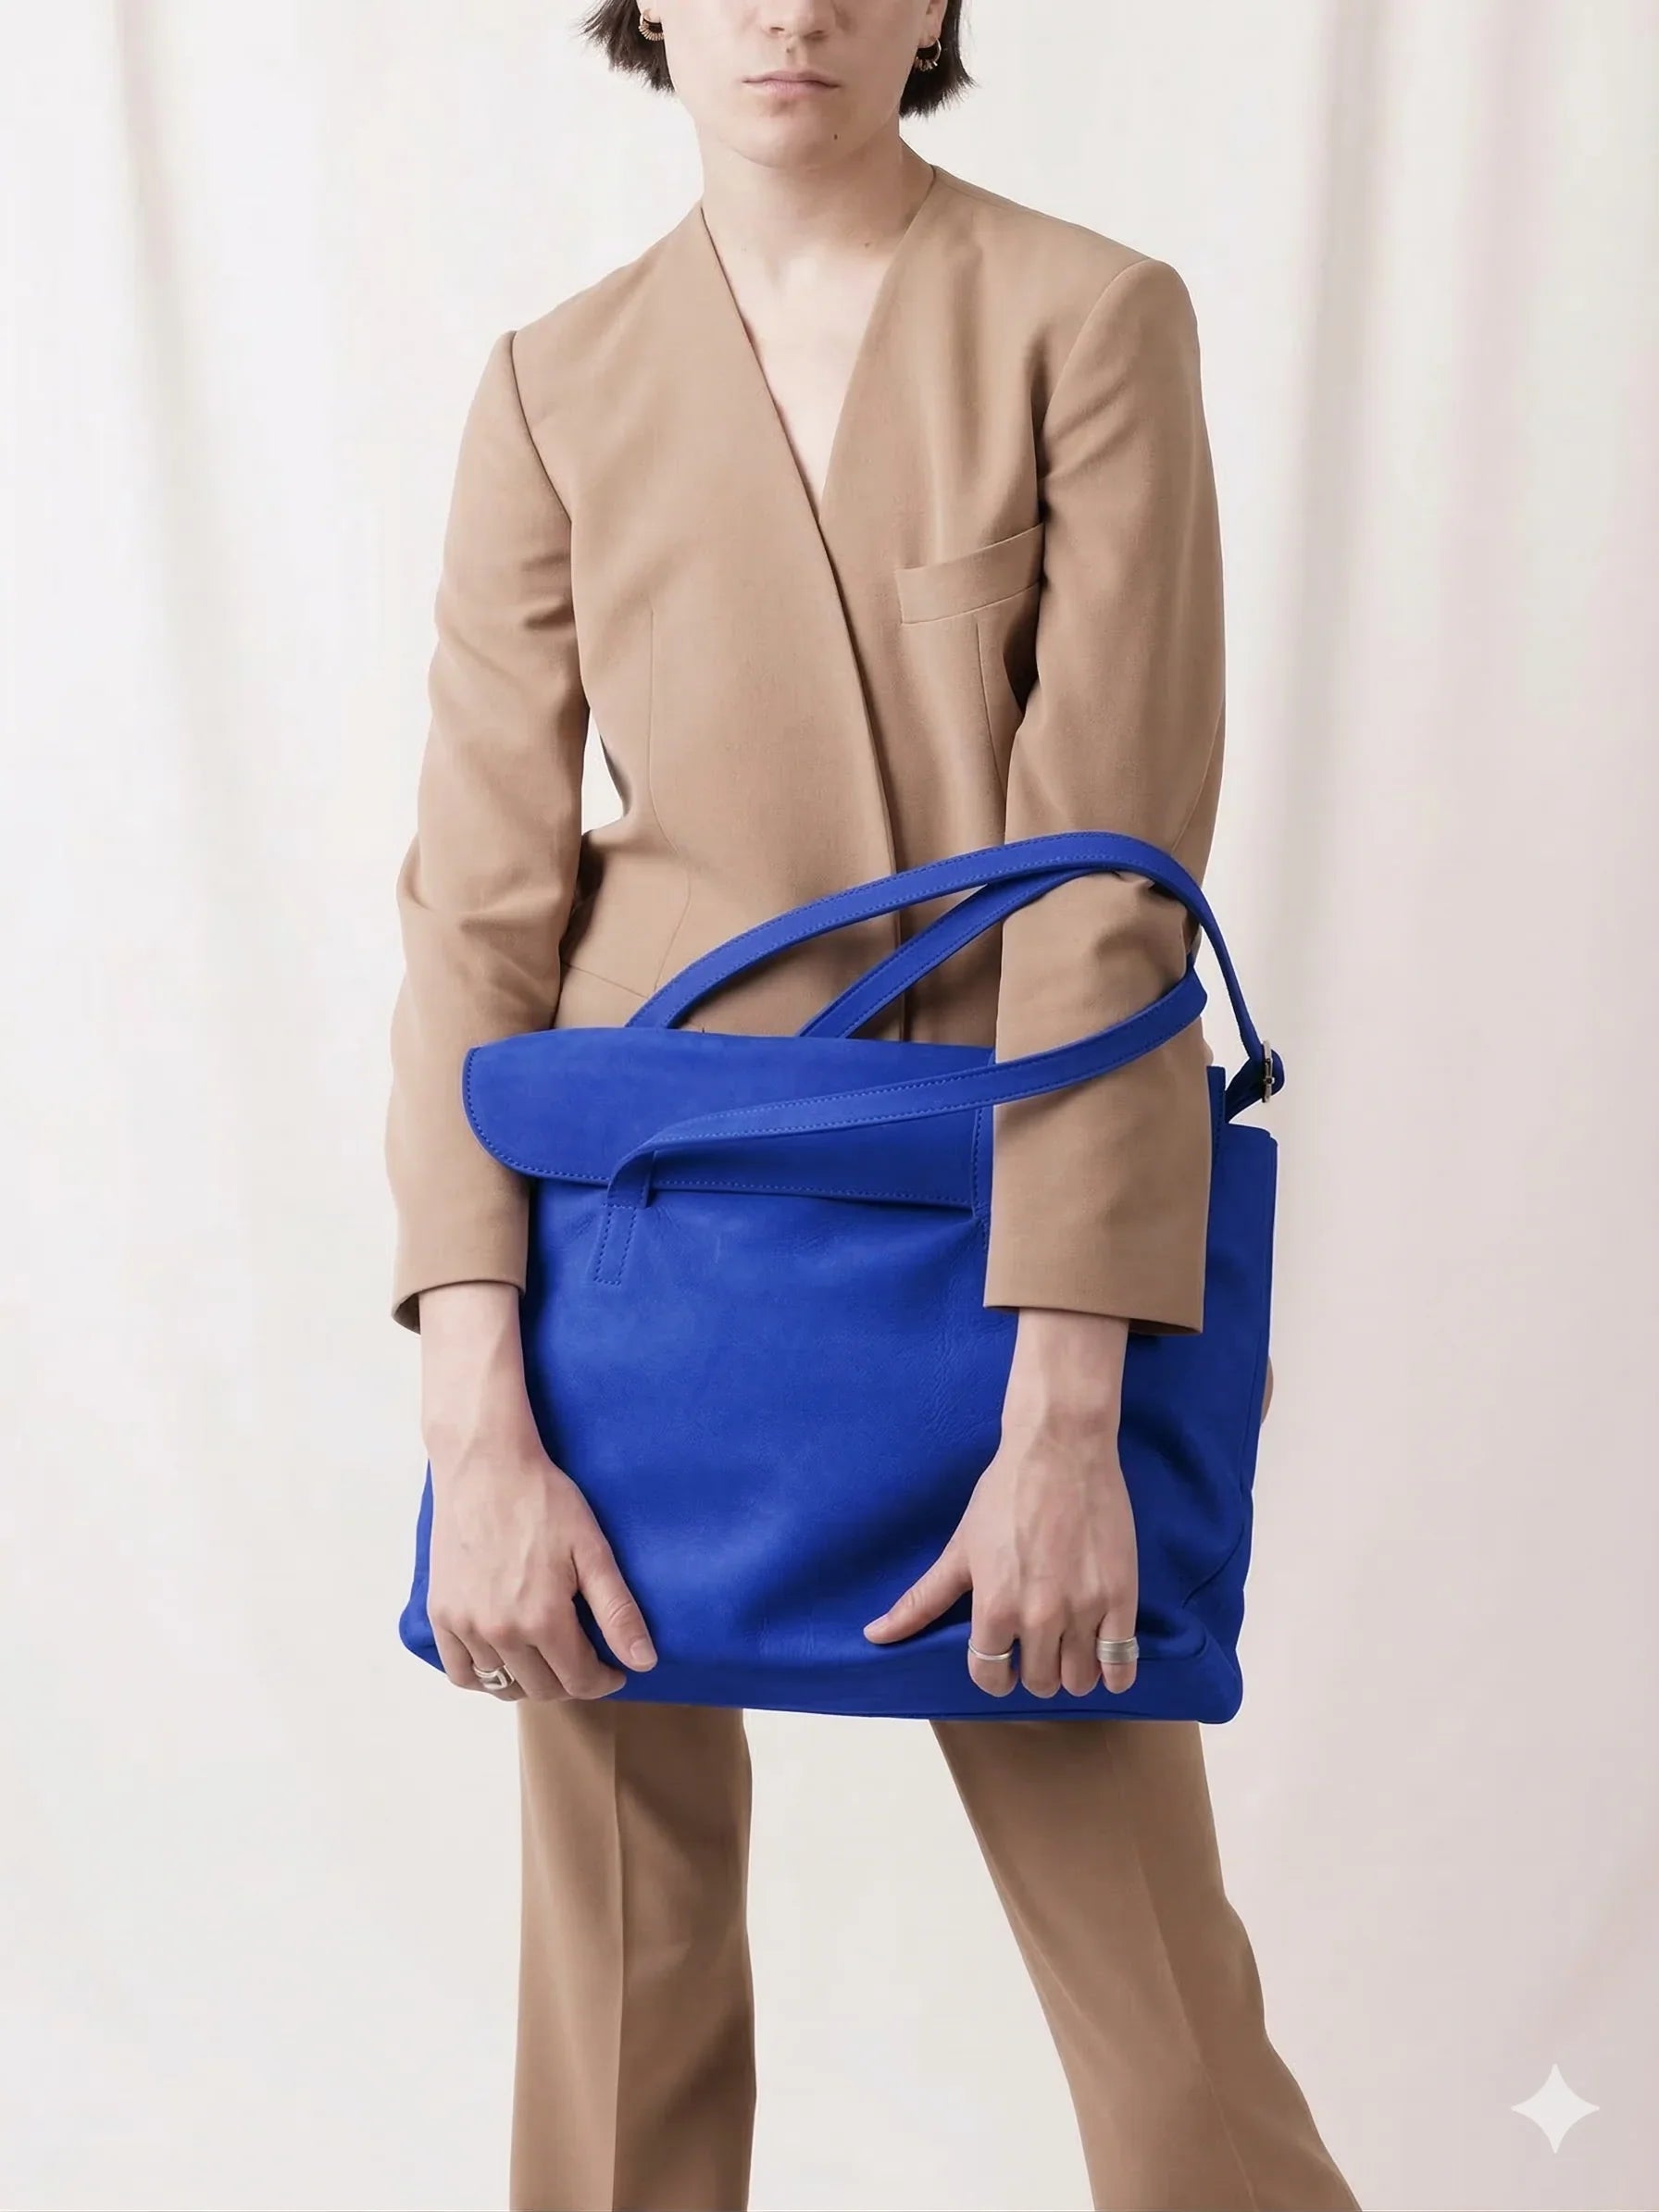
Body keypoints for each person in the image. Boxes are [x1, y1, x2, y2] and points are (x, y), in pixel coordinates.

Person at [383, 4, 1359, 2206]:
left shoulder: (1085, 320)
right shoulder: (554, 382)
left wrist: (1068, 1417)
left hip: (1001, 1264)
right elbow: (475, 912)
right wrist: (474, 1412)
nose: (791, 7)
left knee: (1163, 2025)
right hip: (625, 1284)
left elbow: (1109, 896)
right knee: (614, 2013)